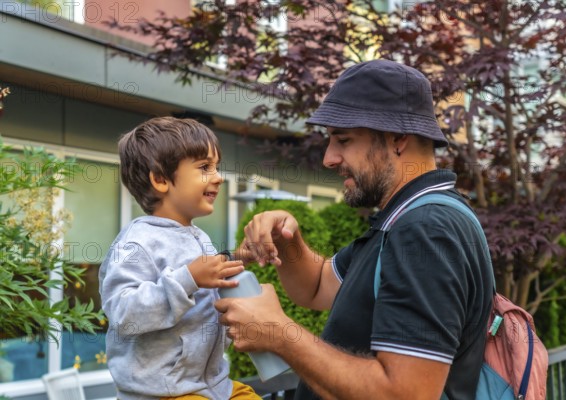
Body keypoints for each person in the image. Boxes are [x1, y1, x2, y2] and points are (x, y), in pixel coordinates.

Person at [215, 60, 495, 399]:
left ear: (398, 139)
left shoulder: (425, 230)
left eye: (343, 140)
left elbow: (405, 394)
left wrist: (278, 334)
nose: (329, 158)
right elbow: (317, 287)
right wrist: (288, 242)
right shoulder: (403, 219)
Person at [99, 117, 261, 400]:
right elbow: (123, 314)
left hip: (213, 384)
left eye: (217, 167)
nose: (219, 176)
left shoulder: (198, 236)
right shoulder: (137, 242)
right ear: (160, 179)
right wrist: (187, 279)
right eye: (204, 167)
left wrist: (238, 259)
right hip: (162, 391)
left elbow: (207, 281)